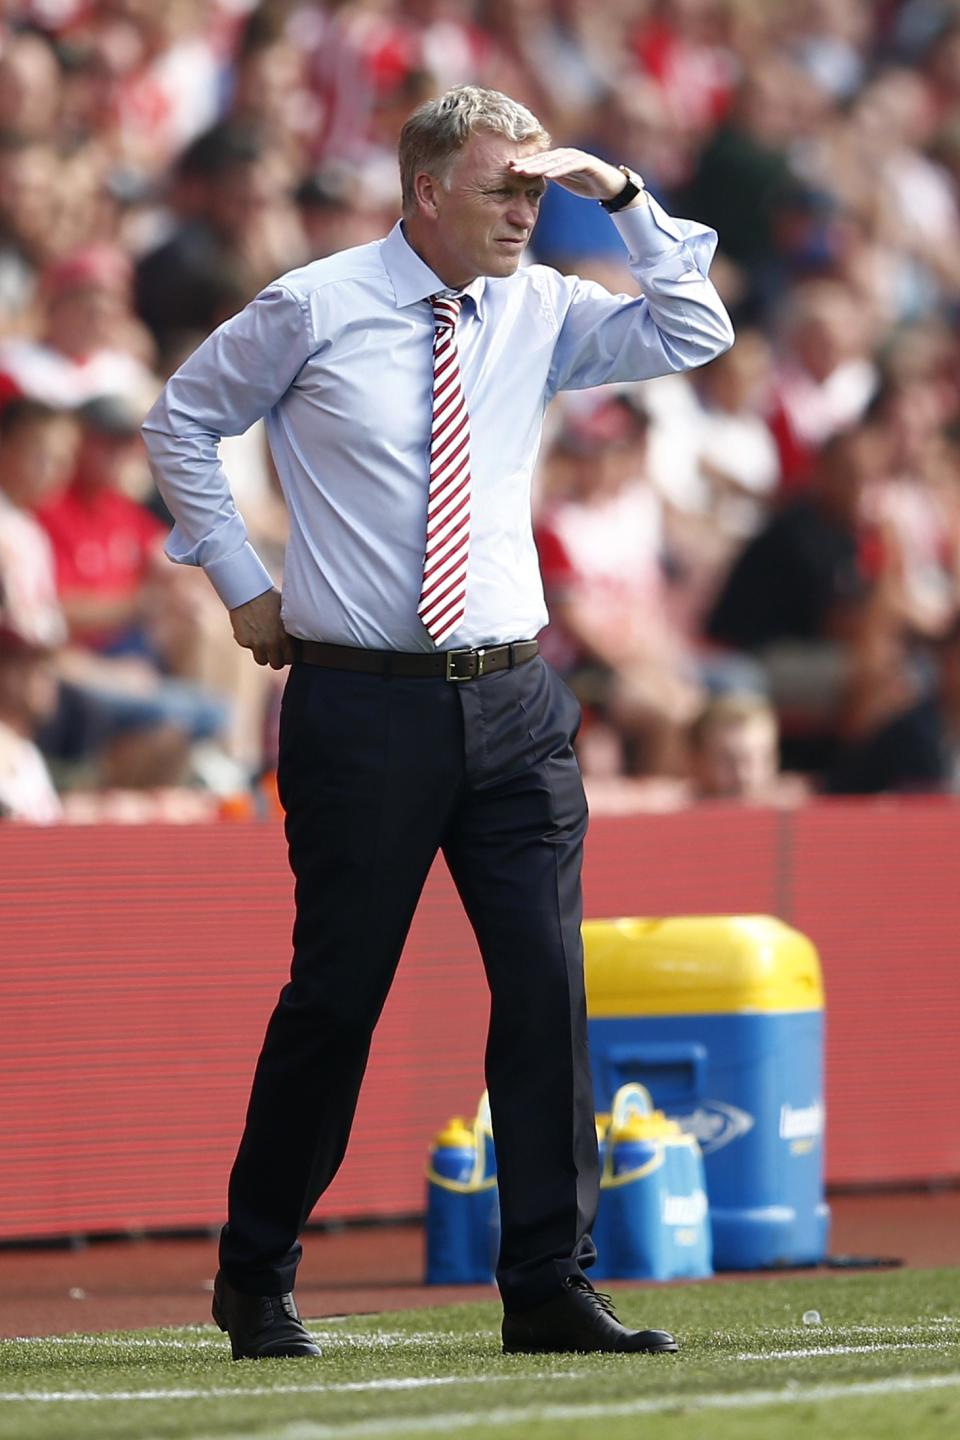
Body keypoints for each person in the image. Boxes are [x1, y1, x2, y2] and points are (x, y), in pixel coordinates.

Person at [143, 84, 733, 1362]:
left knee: (544, 989)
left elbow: (695, 327)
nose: (527, 211)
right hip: (362, 700)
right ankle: (257, 1272)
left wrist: (621, 197)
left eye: (535, 190)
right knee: (339, 996)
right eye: (504, 189)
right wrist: (243, 585)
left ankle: (549, 1285)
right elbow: (183, 418)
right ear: (424, 191)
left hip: (514, 698)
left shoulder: (546, 307)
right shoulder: (315, 302)